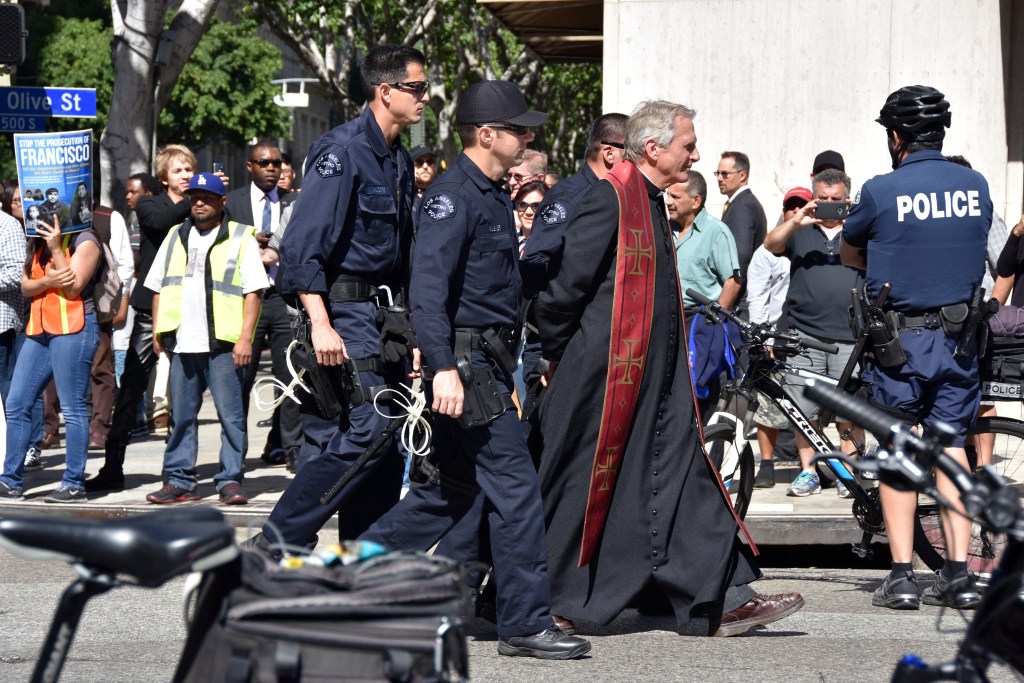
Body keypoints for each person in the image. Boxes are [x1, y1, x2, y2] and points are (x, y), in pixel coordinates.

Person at [534, 100, 802, 637]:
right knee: (580, 483)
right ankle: (547, 596)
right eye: (688, 145)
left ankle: (722, 597)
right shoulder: (608, 199)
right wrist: (558, 355)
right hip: (603, 376)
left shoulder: (652, 199)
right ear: (653, 149)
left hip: (657, 374)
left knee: (683, 476)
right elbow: (563, 292)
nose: (696, 154)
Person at [357, 79, 592, 660]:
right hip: (466, 366)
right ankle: (525, 623)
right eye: (518, 129)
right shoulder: (453, 196)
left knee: (449, 494)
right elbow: (429, 293)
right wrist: (442, 368)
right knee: (516, 491)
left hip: (483, 359)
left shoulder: (489, 193)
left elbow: (499, 287)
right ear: (487, 135)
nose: (527, 136)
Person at [252, 44, 425, 549]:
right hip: (344, 310)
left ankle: (363, 565)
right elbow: (303, 247)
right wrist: (320, 321)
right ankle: (278, 540)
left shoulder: (399, 158)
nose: (424, 99)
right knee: (369, 424)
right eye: (416, 88)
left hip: (387, 314)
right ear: (384, 91)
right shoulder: (342, 150)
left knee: (387, 436)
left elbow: (403, 255)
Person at [840, 85, 991, 610]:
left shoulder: (882, 189)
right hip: (960, 343)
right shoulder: (975, 183)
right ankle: (957, 574)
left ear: (896, 136)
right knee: (953, 453)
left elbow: (849, 250)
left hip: (898, 346)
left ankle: (902, 577)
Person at [86, 144, 205, 492]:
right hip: (149, 308)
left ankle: (179, 469)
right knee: (132, 386)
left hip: (190, 305)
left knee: (185, 390)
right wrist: (193, 198)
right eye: (179, 171)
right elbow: (159, 222)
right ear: (164, 176)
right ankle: (112, 466)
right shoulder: (152, 203)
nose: (186, 176)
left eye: (190, 170)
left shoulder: (201, 206)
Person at [143, 172, 266, 505]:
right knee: (181, 418)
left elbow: (253, 293)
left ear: (221, 202)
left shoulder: (241, 237)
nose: (199, 203)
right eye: (194, 197)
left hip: (224, 345)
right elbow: (158, 287)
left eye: (207, 198)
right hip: (182, 343)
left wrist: (245, 339)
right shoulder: (174, 236)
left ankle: (229, 481)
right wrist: (158, 329)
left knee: (231, 417)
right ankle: (180, 481)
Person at [764, 168, 863, 498]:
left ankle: (845, 472)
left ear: (847, 198)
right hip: (804, 336)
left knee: (849, 412)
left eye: (837, 200)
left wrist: (855, 219)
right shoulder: (800, 230)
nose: (830, 205)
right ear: (814, 197)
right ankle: (809, 471)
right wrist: (798, 218)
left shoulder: (858, 231)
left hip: (849, 338)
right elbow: (770, 243)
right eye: (823, 199)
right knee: (804, 411)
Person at [0, 214, 102, 502]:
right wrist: (46, 280)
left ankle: (73, 483)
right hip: (39, 329)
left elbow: (73, 287)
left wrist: (57, 249)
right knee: (17, 402)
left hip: (74, 328)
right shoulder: (36, 241)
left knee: (72, 408)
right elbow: (25, 286)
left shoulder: (86, 239)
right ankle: (10, 480)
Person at [225, 140, 301, 467]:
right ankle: (234, 454)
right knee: (240, 379)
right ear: (250, 167)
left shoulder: (295, 202)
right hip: (247, 302)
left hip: (284, 301)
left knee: (292, 379)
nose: (272, 168)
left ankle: (293, 451)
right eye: (264, 163)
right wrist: (246, 242)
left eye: (277, 164)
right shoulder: (233, 203)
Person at [667, 170, 741, 422]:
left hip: (700, 323)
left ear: (695, 201)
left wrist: (713, 319)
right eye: (668, 194)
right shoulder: (665, 229)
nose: (668, 201)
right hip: (669, 322)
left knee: (700, 396)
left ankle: (706, 455)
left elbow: (733, 281)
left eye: (675, 196)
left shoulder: (716, 232)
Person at [747, 187, 806, 488]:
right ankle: (767, 464)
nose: (796, 213)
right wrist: (762, 340)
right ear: (783, 212)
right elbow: (757, 297)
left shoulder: (820, 247)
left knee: (809, 404)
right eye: (790, 207)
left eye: (802, 207)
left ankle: (811, 464)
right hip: (775, 335)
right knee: (767, 402)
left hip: (809, 335)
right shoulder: (767, 252)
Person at [717, 151, 767, 314]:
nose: (719, 178)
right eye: (717, 173)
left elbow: (740, 259)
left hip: (738, 302)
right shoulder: (739, 203)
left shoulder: (742, 207)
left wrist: (724, 306)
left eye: (725, 174)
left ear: (742, 175)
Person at [513, 180, 546, 257]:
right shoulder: (510, 237)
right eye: (522, 204)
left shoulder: (550, 245)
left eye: (536, 206)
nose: (528, 212)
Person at [409, 144, 437, 221]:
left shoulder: (443, 193)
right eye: (419, 162)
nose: (425, 166)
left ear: (435, 167)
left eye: (429, 161)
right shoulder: (405, 195)